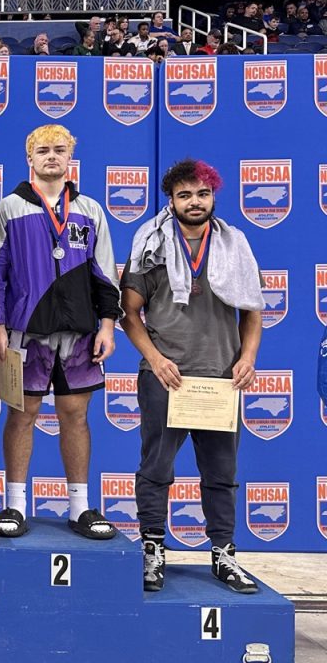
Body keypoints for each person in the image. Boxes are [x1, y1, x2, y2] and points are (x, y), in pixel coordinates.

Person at [120, 159, 263, 594]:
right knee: (156, 469)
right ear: (171, 200)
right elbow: (129, 314)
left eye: (202, 193)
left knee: (221, 473)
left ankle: (223, 554)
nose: (195, 202)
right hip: (166, 377)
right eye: (185, 195)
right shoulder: (151, 244)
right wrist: (155, 359)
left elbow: (252, 310)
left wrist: (248, 357)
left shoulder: (235, 245)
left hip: (221, 377)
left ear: (213, 196)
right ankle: (153, 549)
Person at [0, 124, 119, 539]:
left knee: (75, 416)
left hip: (79, 334)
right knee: (22, 415)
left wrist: (108, 325)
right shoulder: (8, 209)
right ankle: (14, 505)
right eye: (42, 150)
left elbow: (104, 273)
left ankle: (79, 509)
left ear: (70, 157)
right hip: (25, 331)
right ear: (29, 158)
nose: (51, 156)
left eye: (59, 150)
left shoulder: (90, 210)